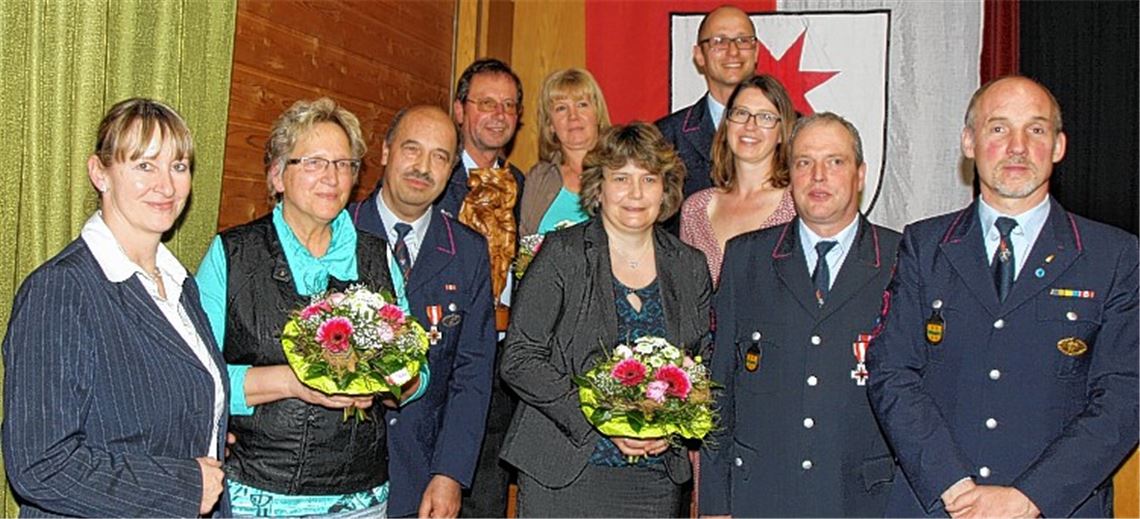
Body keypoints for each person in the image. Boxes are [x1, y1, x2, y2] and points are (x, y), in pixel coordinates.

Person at [866, 76, 1139, 518]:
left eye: (1035, 129)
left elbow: (1127, 394)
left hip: (1058, 508)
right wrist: (952, 488)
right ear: (969, 142)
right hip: (939, 506)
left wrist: (1031, 498)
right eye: (998, 128)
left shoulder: (1114, 256)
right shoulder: (924, 246)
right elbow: (891, 371)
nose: (1017, 146)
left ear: (1059, 145)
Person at [196, 97, 425, 517]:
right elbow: (196, 379)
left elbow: (416, 370)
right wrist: (293, 382)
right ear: (278, 174)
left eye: (344, 164)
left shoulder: (376, 256)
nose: (332, 177)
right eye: (315, 162)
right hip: (258, 494)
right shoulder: (232, 254)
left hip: (362, 498)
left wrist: (391, 380)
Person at [2, 98, 228, 517]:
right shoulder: (61, 290)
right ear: (99, 173)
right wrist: (183, 485)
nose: (166, 185)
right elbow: (39, 465)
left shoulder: (179, 285)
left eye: (178, 166)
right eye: (144, 165)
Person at [500, 123, 711, 517]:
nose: (635, 193)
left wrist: (674, 420)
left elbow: (701, 361)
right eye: (621, 178)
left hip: (654, 480)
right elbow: (520, 359)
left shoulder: (689, 266)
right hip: (565, 471)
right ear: (599, 187)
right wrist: (603, 419)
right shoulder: (562, 253)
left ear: (665, 189)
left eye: (649, 178)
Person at [701, 112, 901, 517]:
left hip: (864, 499)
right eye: (804, 162)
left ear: (860, 175)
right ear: (789, 175)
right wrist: (714, 503)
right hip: (762, 496)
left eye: (835, 162)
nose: (819, 176)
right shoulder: (747, 258)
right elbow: (719, 386)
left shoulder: (900, 259)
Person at [348, 105, 496, 519]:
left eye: (440, 157)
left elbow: (473, 373)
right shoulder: (338, 231)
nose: (423, 167)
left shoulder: (467, 251)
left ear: (451, 170)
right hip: (337, 476)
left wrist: (450, 472)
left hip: (422, 476)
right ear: (385, 151)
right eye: (412, 149)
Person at [444, 57, 527, 517]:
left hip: (498, 364)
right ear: (460, 110)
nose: (499, 114)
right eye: (486, 103)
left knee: (487, 494)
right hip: (440, 355)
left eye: (509, 105)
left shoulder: (522, 185)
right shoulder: (434, 177)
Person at [680, 74, 798, 285]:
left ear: (782, 133)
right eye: (741, 113)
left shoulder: (797, 207)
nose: (750, 125)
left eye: (765, 117)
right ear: (726, 126)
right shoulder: (695, 209)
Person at [657, 5, 759, 206]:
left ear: (756, 52)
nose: (733, 51)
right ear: (699, 55)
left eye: (743, 40)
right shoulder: (665, 137)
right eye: (719, 41)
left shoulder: (792, 128)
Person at [518, 68, 611, 237]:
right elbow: (525, 245)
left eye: (582, 104)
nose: (573, 116)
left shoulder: (622, 171)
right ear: (550, 124)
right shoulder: (538, 178)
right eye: (561, 108)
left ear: (597, 114)